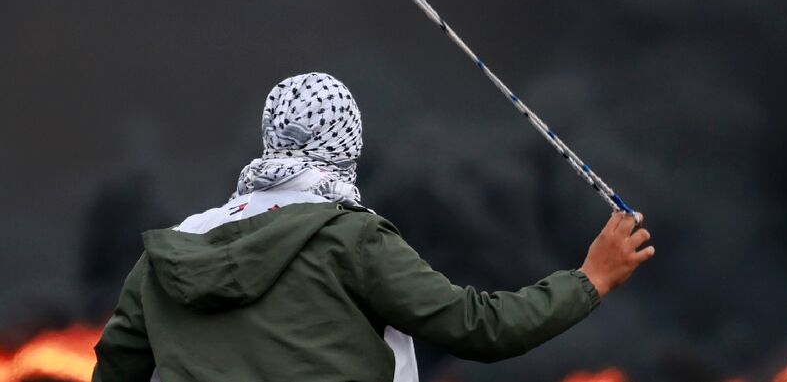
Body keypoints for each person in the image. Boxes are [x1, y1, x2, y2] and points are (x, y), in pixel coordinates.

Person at [91, 72, 654, 382]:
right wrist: (590, 279)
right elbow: (480, 329)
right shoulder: (350, 238)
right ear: (348, 144)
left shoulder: (169, 253)